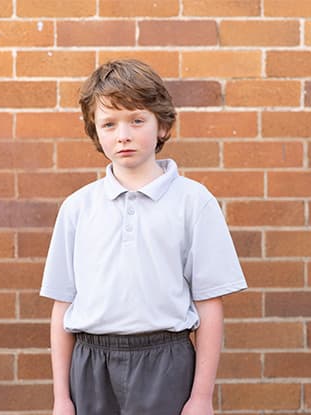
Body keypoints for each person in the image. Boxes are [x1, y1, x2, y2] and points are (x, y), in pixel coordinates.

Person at [40, 59, 247, 415]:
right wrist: (62, 398)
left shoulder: (194, 203)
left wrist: (201, 397)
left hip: (166, 361)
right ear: (96, 132)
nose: (123, 134)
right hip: (91, 364)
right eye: (109, 124)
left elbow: (210, 304)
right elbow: (62, 305)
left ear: (162, 126)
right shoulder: (77, 208)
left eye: (137, 120)